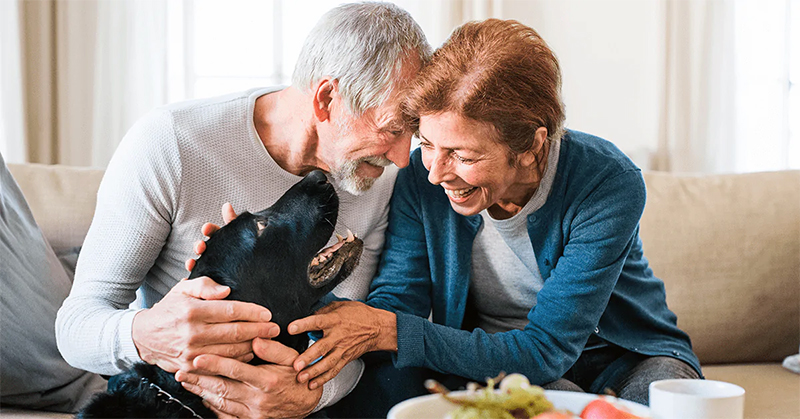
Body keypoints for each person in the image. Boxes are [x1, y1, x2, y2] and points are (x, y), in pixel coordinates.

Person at [277, 18, 702, 417]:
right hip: (489, 360)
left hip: (623, 357)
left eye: (463, 155)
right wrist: (298, 297)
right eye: (426, 143)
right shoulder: (422, 178)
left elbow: (547, 349)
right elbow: (397, 302)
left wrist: (389, 329)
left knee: (664, 400)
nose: (434, 172)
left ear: (532, 148)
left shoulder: (607, 182)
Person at [55, 2, 430, 418]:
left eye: (411, 134)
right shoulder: (172, 143)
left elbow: (351, 341)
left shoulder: (376, 178)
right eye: (393, 130)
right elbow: (75, 330)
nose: (401, 158)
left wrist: (310, 394)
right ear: (326, 99)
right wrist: (150, 333)